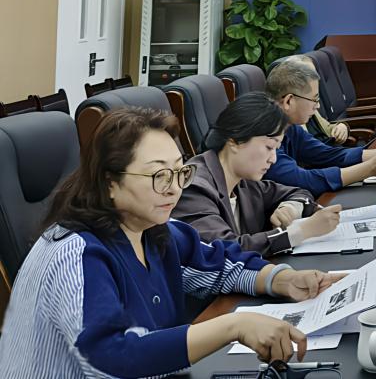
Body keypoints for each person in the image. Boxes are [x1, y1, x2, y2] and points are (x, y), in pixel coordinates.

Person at [0, 107, 340, 378]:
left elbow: (220, 266)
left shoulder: (154, 227)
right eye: (159, 175)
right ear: (110, 182)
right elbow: (110, 358)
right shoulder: (75, 252)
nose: (175, 188)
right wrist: (233, 326)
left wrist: (283, 279)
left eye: (179, 172)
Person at [172, 92, 343, 256]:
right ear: (235, 141)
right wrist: (301, 232)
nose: (273, 159)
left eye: (276, 149)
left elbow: (299, 192)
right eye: (269, 147)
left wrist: (290, 208)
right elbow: (224, 250)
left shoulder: (244, 180)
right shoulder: (193, 187)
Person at [264, 59, 376, 196]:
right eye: (314, 99)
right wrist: (370, 169)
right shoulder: (264, 136)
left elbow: (328, 155)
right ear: (289, 101)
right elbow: (304, 180)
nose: (318, 106)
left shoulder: (290, 127)